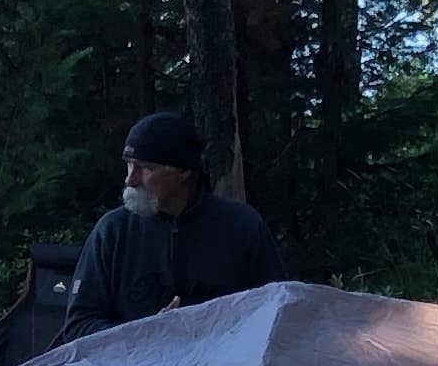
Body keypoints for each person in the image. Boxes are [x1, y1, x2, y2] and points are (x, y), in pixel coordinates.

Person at [62, 111, 286, 336]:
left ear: (184, 171)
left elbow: (278, 311)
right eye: (129, 165)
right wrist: (148, 333)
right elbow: (78, 326)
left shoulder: (241, 227)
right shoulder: (113, 232)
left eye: (146, 167)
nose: (130, 179)